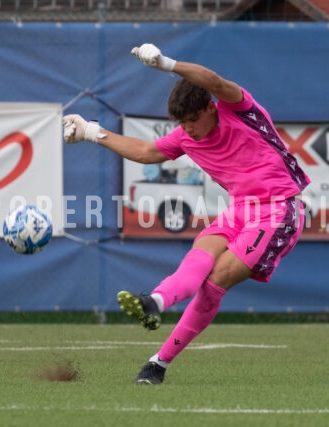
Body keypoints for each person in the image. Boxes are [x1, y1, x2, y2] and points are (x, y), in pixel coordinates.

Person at [62, 43, 311, 385]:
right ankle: (156, 302)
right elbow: (147, 152)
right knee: (199, 254)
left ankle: (158, 364)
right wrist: (92, 133)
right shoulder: (186, 136)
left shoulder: (239, 110)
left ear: (210, 107)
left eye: (194, 120)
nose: (189, 129)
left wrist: (166, 64)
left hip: (279, 210)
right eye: (183, 122)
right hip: (240, 209)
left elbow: (212, 79)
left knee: (215, 282)